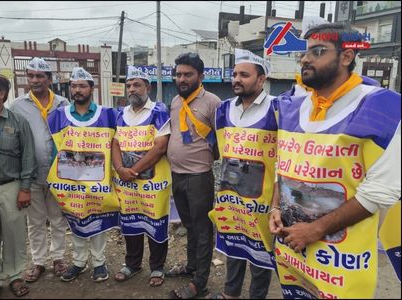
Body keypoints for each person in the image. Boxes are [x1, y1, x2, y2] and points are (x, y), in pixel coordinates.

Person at [269, 23, 400, 298]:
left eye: (318, 51)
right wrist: (274, 209)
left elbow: (378, 192)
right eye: (303, 54)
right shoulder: (292, 106)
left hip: (339, 262)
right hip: (293, 253)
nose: (305, 59)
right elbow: (283, 168)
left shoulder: (384, 107)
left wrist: (315, 229)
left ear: (347, 56)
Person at [209, 49, 276, 299]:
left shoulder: (277, 108)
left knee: (261, 254)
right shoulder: (224, 110)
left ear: (261, 79)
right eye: (235, 74)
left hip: (262, 200)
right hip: (231, 197)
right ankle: (230, 294)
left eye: (244, 75)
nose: (237, 79)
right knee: (234, 247)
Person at [46, 67, 118, 283]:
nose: (77, 90)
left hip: (98, 180)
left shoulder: (108, 114)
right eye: (74, 86)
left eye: (82, 86)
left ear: (91, 89)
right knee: (76, 220)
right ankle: (78, 262)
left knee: (97, 219)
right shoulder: (58, 116)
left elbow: (117, 144)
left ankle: (99, 262)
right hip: (70, 180)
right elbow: (54, 149)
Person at [166, 52, 221, 299]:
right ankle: (191, 267)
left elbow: (223, 139)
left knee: (202, 230)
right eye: (178, 74)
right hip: (177, 175)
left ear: (200, 76)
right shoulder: (176, 102)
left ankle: (200, 283)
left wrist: (207, 157)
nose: (182, 79)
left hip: (199, 177)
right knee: (189, 225)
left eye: (188, 74)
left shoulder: (213, 102)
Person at [0, 74, 36, 298]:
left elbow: (28, 155)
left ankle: (14, 276)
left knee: (14, 234)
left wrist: (25, 188)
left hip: (13, 186)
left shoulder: (17, 121)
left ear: (1, 94)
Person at [10, 57, 70, 283]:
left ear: (49, 79)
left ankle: (58, 258)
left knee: (57, 219)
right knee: (34, 221)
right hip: (31, 174)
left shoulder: (63, 104)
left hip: (58, 172)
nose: (34, 80)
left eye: (39, 76)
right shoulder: (17, 105)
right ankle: (39, 262)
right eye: (31, 75)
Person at [112, 66, 171, 287]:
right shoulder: (121, 113)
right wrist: (119, 168)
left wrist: (133, 170)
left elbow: (160, 147)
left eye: (137, 85)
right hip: (126, 182)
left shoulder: (158, 111)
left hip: (152, 183)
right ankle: (132, 264)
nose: (132, 90)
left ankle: (157, 267)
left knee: (155, 222)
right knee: (131, 222)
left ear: (148, 87)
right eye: (129, 86)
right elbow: (115, 143)